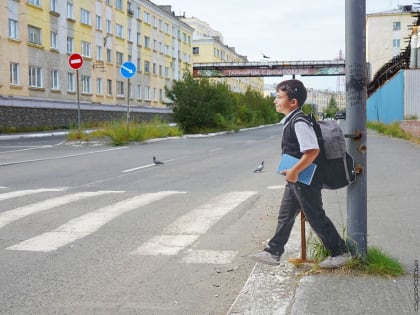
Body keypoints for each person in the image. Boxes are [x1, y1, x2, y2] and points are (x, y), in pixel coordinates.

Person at [251, 79, 351, 268]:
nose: (275, 101)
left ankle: (340, 252)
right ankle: (273, 251)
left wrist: (295, 171)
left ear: (293, 102)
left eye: (279, 97)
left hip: (305, 178)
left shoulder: (299, 122)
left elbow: (312, 151)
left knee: (315, 215)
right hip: (297, 178)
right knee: (285, 215)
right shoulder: (292, 121)